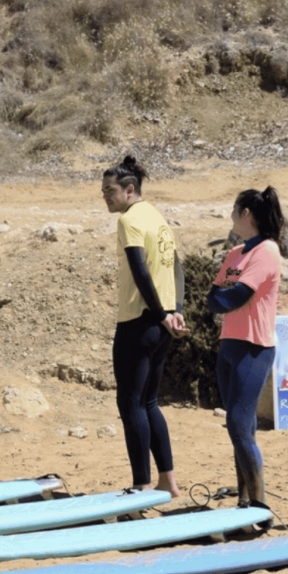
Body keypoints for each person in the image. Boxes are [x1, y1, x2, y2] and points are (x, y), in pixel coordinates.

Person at [101, 155, 186, 498]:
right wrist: (174, 311)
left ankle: (141, 484)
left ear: (129, 189)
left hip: (139, 321)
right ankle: (168, 481)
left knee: (131, 404)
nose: (105, 197)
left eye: (110, 191)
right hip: (161, 323)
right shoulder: (156, 216)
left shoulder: (130, 220)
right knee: (149, 402)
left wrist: (161, 312)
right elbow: (176, 268)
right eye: (103, 191)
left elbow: (140, 270)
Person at [206, 187, 285, 512]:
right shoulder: (234, 254)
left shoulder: (267, 251)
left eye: (234, 210)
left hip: (254, 347)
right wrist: (225, 297)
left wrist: (226, 296)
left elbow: (236, 296)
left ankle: (260, 506)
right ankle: (244, 499)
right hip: (230, 344)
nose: (230, 216)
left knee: (239, 424)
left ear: (246, 214)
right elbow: (213, 299)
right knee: (240, 428)